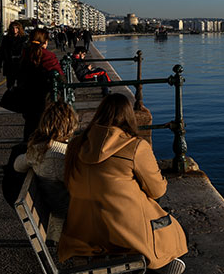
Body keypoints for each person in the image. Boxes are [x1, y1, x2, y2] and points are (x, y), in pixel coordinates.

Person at [58, 94, 187, 274]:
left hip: (82, 233)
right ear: (129, 116)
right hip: (122, 236)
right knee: (179, 232)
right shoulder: (135, 147)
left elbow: (68, 181)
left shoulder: (75, 145)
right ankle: (158, 265)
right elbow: (158, 191)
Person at [13, 101, 79, 217]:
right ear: (70, 126)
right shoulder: (61, 155)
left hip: (56, 209)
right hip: (70, 214)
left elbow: (17, 165)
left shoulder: (39, 150)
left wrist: (29, 157)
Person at [18, 28, 64, 142]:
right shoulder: (48, 55)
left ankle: (28, 147)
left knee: (30, 127)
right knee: (47, 127)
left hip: (27, 96)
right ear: (45, 42)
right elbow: (60, 76)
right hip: (44, 97)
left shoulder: (25, 54)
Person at [0, 21, 27, 88]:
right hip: (9, 64)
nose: (15, 30)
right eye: (13, 28)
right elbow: (2, 52)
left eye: (16, 28)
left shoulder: (24, 39)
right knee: (10, 85)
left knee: (21, 85)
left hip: (20, 65)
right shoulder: (6, 39)